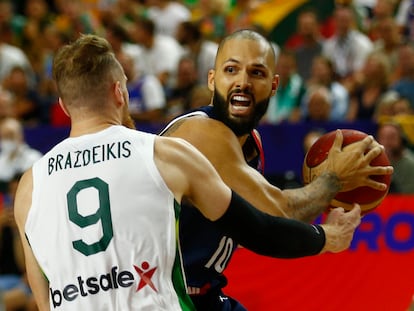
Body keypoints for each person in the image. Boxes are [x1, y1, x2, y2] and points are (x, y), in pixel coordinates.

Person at [14, 33, 365, 311]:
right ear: (120, 91)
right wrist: (326, 235)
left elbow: (43, 294)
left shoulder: (29, 186)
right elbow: (260, 227)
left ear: (62, 105)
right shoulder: (164, 154)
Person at [160, 29, 393, 310]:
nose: (242, 82)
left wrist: (322, 231)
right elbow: (278, 212)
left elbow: (258, 227)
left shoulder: (250, 143)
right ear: (212, 79)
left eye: (256, 73)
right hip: (163, 294)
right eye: (231, 69)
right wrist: (333, 180)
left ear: (273, 84)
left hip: (203, 291)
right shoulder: (200, 131)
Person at [0, 117, 42, 193]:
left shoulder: (34, 158)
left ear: (20, 136)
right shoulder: (1, 161)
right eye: (3, 137)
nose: (7, 140)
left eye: (10, 136)